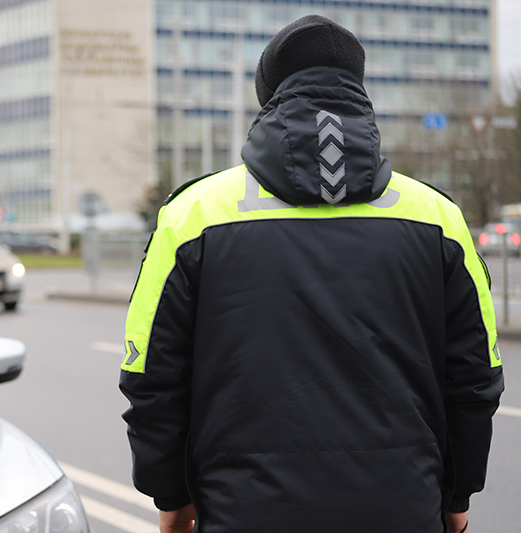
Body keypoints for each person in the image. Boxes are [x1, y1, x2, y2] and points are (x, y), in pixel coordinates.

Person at [119, 14, 503, 533]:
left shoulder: (194, 214)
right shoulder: (437, 216)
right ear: (360, 93)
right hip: (404, 508)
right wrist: (458, 494)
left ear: (268, 97)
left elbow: (152, 375)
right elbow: (475, 374)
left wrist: (171, 495)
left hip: (243, 511)